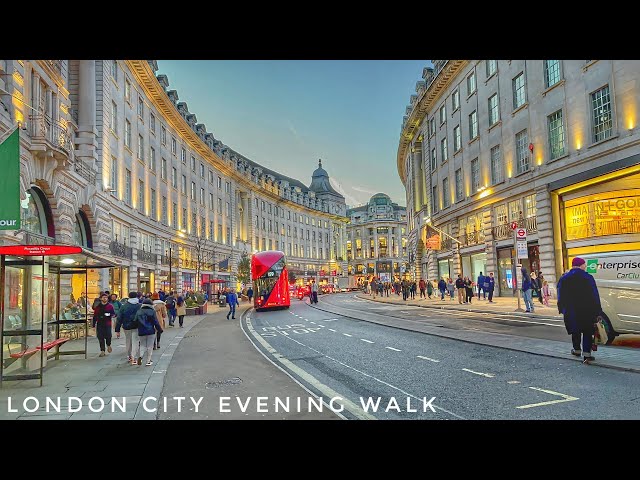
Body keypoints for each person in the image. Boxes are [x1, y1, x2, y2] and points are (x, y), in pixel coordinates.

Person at [557, 257, 602, 363]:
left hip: (570, 310)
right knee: (587, 331)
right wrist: (598, 311)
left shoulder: (564, 278)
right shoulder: (588, 277)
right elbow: (595, 295)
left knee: (575, 330)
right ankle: (587, 354)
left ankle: (577, 350)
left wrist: (561, 308)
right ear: (581, 265)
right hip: (587, 310)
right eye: (584, 265)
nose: (585, 267)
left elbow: (560, 295)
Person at [115, 292, 141, 364]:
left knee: (128, 341)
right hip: (136, 326)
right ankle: (134, 356)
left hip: (126, 326)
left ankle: (129, 356)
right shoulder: (139, 306)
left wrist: (117, 329)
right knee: (135, 341)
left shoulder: (124, 306)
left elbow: (119, 318)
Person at [135, 298, 162, 366]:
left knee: (142, 344)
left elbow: (135, 321)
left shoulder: (139, 311)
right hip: (150, 330)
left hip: (141, 331)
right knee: (150, 345)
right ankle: (148, 361)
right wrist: (159, 329)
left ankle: (141, 356)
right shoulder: (152, 311)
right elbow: (155, 322)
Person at [92, 293, 115, 357]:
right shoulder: (98, 307)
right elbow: (95, 316)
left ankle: (108, 345)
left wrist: (109, 315)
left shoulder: (110, 306)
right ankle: (102, 350)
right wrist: (93, 325)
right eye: (103, 297)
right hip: (100, 323)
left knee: (108, 335)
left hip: (107, 323)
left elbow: (113, 314)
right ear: (101, 298)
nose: (105, 298)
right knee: (100, 337)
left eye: (106, 297)